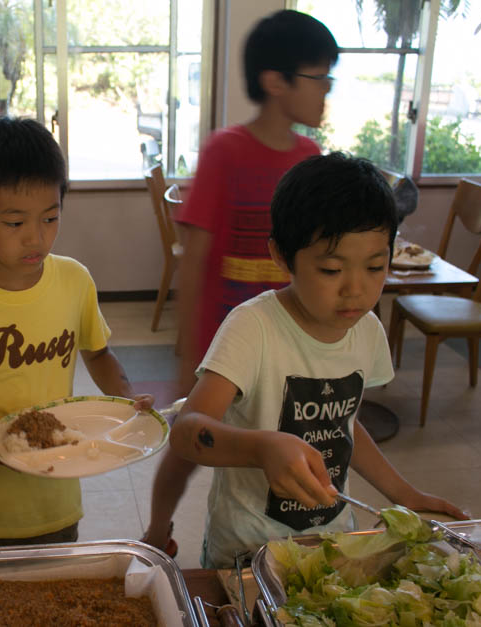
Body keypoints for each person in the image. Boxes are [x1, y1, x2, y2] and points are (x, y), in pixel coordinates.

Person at [155, 153, 467, 569]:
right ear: (282, 256)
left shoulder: (366, 330)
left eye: (376, 266)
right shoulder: (254, 327)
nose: (355, 290)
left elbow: (345, 425)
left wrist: (404, 494)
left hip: (333, 544)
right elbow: (187, 433)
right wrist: (262, 447)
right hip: (246, 552)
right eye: (331, 269)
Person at [0, 117, 153, 547]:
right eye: (15, 223)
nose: (36, 238)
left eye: (51, 218)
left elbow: (98, 354)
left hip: (56, 498)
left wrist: (126, 400)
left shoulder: (74, 281)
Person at [143, 9, 339, 557]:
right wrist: (190, 356)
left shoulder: (310, 158)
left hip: (285, 343)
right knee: (187, 449)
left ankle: (276, 545)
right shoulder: (226, 151)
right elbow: (196, 259)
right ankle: (158, 530)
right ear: (277, 82)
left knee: (273, 445)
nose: (326, 92)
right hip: (224, 344)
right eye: (319, 78)